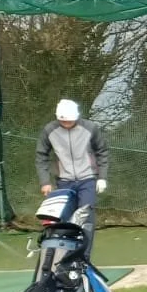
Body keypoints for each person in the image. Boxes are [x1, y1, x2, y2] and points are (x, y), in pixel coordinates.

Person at [35, 98, 108, 248]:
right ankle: (67, 254)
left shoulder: (90, 128)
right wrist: (45, 181)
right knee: (65, 220)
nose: (67, 124)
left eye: (70, 121)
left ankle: (83, 256)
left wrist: (102, 177)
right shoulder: (49, 130)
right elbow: (41, 156)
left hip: (87, 180)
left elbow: (102, 151)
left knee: (86, 219)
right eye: (63, 121)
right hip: (64, 181)